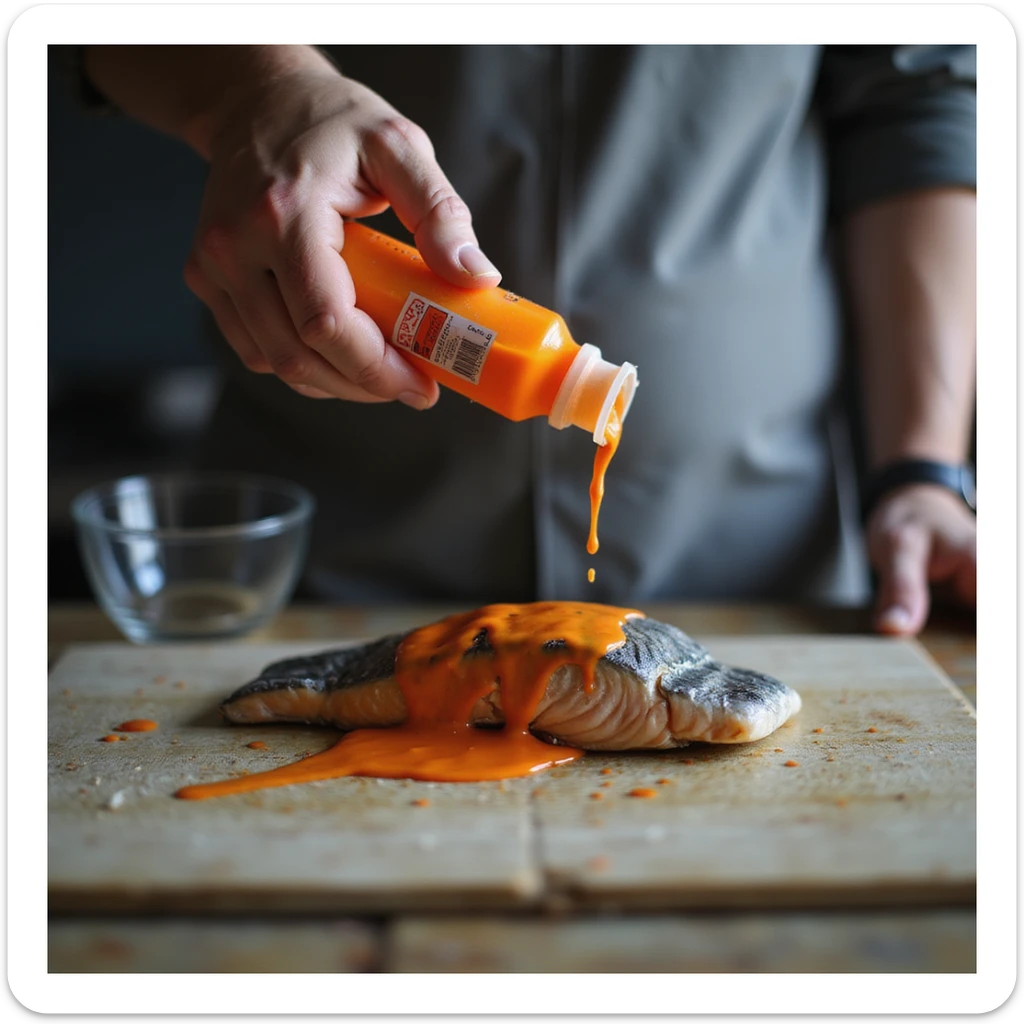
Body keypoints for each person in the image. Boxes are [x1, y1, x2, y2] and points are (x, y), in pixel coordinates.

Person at [77, 44, 977, 632]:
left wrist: (922, 470)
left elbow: (925, 97)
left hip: (760, 583)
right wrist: (258, 93)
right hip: (335, 581)